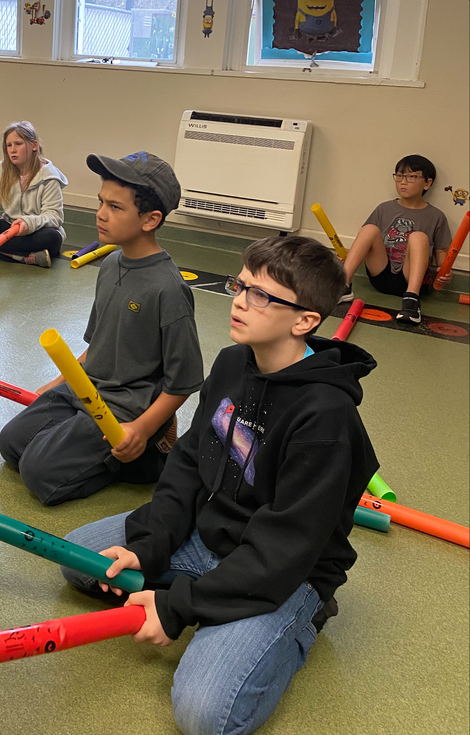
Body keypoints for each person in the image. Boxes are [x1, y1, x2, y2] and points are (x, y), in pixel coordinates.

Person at [61, 235, 378, 735]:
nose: (238, 300)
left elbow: (285, 547)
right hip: (209, 537)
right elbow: (189, 464)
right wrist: (149, 546)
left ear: (304, 321)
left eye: (260, 295)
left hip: (286, 572)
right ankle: (204, 592)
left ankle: (295, 620)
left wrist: (178, 605)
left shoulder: (325, 417)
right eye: (241, 284)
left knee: (205, 716)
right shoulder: (234, 363)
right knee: (77, 558)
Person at [0, 151, 204, 505]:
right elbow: (97, 344)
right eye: (100, 202)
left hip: (124, 408)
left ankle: (147, 458)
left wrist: (140, 430)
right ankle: (91, 444)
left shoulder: (168, 289)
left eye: (115, 207)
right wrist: (59, 382)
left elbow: (183, 381)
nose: (101, 213)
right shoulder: (109, 265)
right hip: (86, 390)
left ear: (151, 219)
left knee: (38, 472)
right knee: (11, 444)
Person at [339, 154, 452, 323]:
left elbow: (442, 253)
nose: (403, 182)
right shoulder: (384, 208)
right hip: (381, 275)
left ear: (427, 183)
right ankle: (342, 286)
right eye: (399, 176)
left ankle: (411, 302)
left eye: (411, 177)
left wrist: (445, 272)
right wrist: (350, 255)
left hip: (411, 279)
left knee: (419, 237)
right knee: (369, 229)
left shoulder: (436, 216)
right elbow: (367, 242)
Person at [0, 121, 67, 269]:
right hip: (8, 227)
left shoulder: (49, 176)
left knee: (53, 238)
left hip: (35, 231)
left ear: (34, 146)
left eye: (18, 144)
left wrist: (28, 224)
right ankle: (27, 256)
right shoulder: (2, 169)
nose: (12, 150)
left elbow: (54, 216)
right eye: (9, 145)